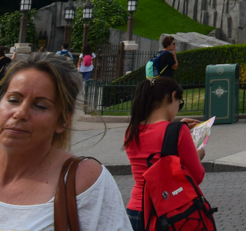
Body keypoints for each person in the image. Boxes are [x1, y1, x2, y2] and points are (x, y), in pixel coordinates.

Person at [0, 52, 131, 230]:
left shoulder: (84, 180)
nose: (20, 113)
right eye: (14, 100)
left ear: (63, 120)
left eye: (40, 106)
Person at [123, 76, 205, 230]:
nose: (178, 108)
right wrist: (198, 154)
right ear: (173, 96)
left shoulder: (131, 131)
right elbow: (197, 176)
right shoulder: (179, 132)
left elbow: (155, 138)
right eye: (179, 103)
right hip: (166, 212)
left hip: (135, 210)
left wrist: (176, 128)